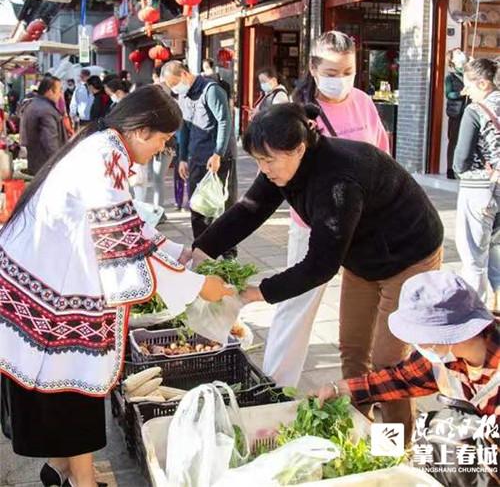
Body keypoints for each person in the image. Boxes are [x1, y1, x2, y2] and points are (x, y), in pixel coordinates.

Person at [0, 85, 232, 487]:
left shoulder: (104, 146)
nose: (161, 150)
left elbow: (130, 226)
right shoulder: (105, 155)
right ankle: (80, 480)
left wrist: (182, 255)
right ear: (142, 130)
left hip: (46, 278)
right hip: (49, 286)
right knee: (75, 387)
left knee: (69, 385)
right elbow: (124, 247)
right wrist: (196, 287)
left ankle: (62, 470)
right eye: (162, 141)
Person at [191, 103, 444, 443]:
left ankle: (395, 448)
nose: (264, 170)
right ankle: (358, 432)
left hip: (409, 257)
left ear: (299, 148)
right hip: (362, 259)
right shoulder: (282, 166)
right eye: (258, 161)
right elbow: (249, 211)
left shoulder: (338, 180)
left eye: (269, 161)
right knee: (353, 350)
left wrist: (258, 292)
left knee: (387, 365)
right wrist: (199, 251)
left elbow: (320, 266)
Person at [265, 31, 391, 390]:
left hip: (365, 225)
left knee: (368, 314)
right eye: (332, 71)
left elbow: (382, 157)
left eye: (348, 70)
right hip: (314, 224)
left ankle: (368, 389)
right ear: (314, 68)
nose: (341, 79)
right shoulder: (296, 112)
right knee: (297, 307)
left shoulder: (365, 102)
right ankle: (277, 388)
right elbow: (283, 177)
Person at [316, 270, 499, 485]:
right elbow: (402, 379)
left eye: (420, 337)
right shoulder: (443, 356)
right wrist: (341, 389)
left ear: (447, 333)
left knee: (442, 430)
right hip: (476, 457)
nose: (418, 344)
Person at [161, 61, 238, 256]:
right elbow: (184, 128)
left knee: (222, 208)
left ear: (185, 74)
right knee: (198, 208)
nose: (175, 89)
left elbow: (224, 121)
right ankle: (202, 252)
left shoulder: (211, 90)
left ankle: (229, 255)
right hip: (196, 159)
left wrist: (218, 152)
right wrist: (182, 158)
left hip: (217, 160)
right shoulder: (183, 95)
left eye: (175, 83)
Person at [453, 58, 500, 309]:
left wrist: (461, 171)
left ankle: (474, 315)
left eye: (468, 86)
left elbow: (461, 160)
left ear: (483, 83)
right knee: (496, 251)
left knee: (473, 256)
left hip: (480, 190)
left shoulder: (475, 111)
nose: (465, 91)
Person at [19, 76, 67, 176]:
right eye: (59, 90)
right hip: (45, 165)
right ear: (50, 91)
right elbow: (50, 141)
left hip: (36, 162)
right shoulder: (46, 110)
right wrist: (58, 163)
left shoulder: (34, 104)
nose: (60, 94)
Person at [445, 48, 468, 180]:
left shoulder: (468, 73)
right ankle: (450, 168)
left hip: (467, 112)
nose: (461, 55)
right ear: (452, 60)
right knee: (453, 140)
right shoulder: (450, 77)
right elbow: (448, 94)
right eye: (458, 53)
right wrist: (460, 93)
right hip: (456, 113)